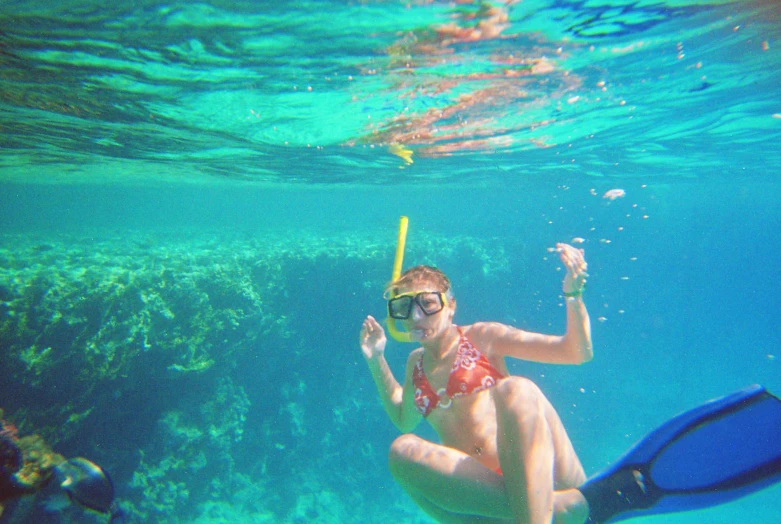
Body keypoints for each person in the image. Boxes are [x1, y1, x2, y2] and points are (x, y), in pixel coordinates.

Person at [360, 243, 592, 524]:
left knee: (517, 389)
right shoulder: (415, 365)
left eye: (428, 303)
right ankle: (553, 508)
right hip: (487, 506)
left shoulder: (483, 337)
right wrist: (376, 359)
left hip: (549, 476)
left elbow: (576, 352)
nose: (415, 316)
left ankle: (546, 509)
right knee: (401, 451)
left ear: (451, 306)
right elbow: (404, 418)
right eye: (404, 307)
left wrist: (573, 294)